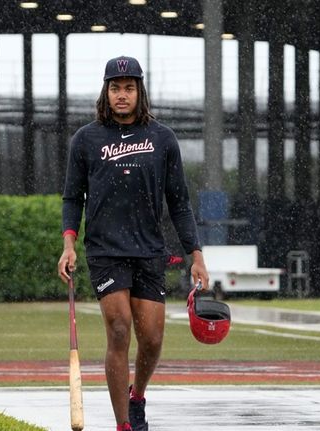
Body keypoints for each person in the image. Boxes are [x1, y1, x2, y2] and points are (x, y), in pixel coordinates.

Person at [57, 55, 210, 431]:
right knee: (120, 328)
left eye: (128, 88)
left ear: (139, 92)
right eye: (115, 88)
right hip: (106, 251)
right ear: (105, 92)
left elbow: (179, 202)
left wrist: (197, 255)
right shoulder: (86, 140)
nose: (121, 95)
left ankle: (136, 395)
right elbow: (72, 197)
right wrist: (69, 244)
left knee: (153, 339)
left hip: (149, 251)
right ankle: (123, 424)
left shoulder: (162, 138)